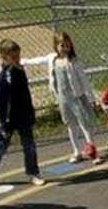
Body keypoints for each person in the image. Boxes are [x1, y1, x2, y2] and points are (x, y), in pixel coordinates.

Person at [25, 31, 99, 164]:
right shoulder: (52, 59)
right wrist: (23, 61)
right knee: (71, 125)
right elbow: (39, 60)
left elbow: (84, 81)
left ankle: (93, 152)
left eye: (68, 46)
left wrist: (90, 97)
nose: (65, 48)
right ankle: (76, 151)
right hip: (63, 99)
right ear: (56, 46)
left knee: (85, 125)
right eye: (62, 46)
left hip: (77, 98)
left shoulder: (74, 62)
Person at [0, 39, 45, 188]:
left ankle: (32, 172)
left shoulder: (19, 70)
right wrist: (4, 124)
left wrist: (30, 113)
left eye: (18, 56)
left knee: (29, 146)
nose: (17, 59)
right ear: (4, 57)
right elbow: (0, 102)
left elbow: (25, 94)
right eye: (14, 57)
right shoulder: (3, 76)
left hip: (23, 116)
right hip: (7, 118)